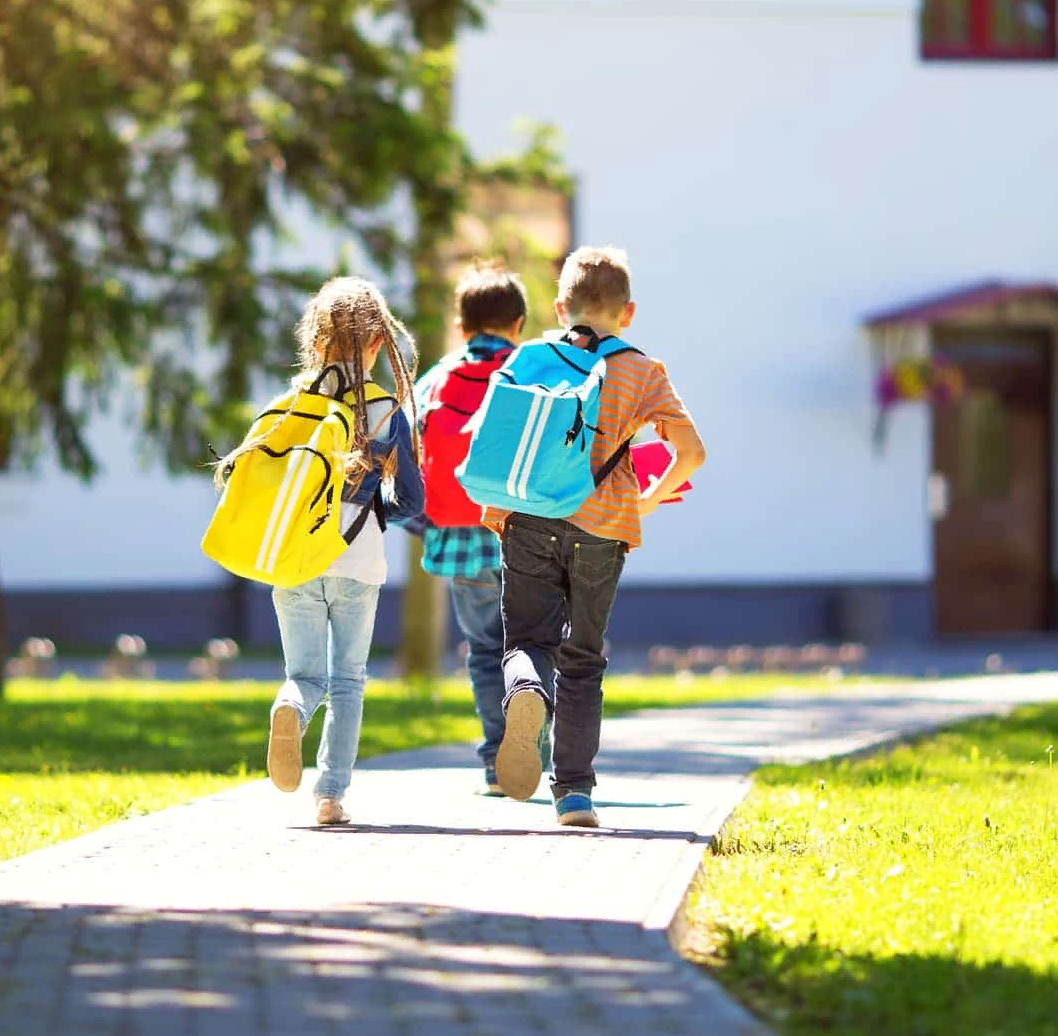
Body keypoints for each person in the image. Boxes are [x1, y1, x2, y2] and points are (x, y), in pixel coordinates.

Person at [485, 246, 704, 827]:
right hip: (604, 529)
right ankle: (575, 796)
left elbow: (499, 436)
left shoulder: (529, 357)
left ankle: (526, 690)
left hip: (528, 519)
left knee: (527, 642)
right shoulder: (642, 369)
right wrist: (648, 499)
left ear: (561, 307)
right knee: (582, 661)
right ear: (627, 313)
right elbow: (691, 453)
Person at [225, 276, 423, 825]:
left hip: (294, 557)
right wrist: (376, 510)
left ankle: (289, 707)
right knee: (348, 682)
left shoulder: (289, 407)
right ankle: (331, 796)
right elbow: (411, 497)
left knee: (305, 676)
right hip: (358, 558)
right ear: (379, 344)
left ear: (314, 342)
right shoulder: (386, 410)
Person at [407, 263, 549, 795]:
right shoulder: (538, 370)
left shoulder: (435, 381)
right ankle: (537, 755)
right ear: (518, 324)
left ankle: (496, 764)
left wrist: (424, 524)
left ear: (461, 326)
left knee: (486, 650)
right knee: (534, 643)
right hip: (530, 533)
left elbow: (409, 460)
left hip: (461, 537)